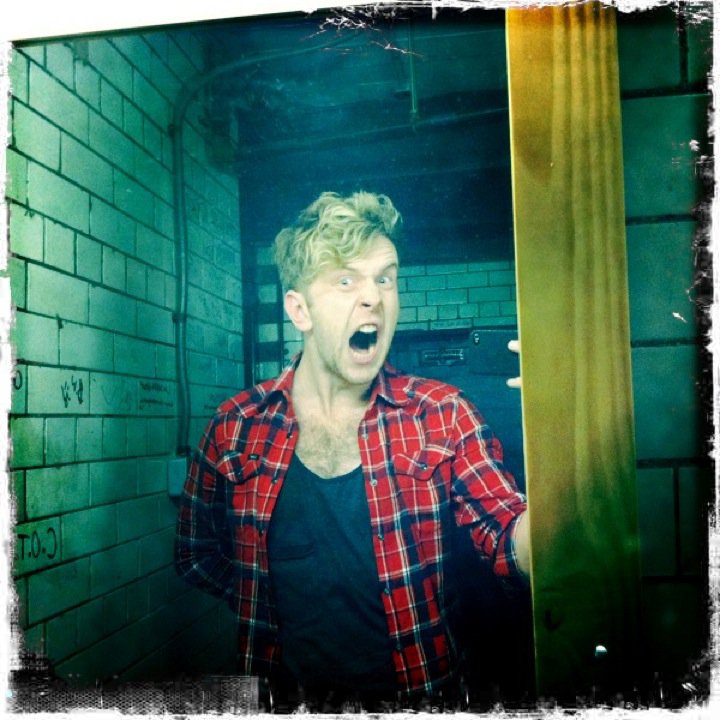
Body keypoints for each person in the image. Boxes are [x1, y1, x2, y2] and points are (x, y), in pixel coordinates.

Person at [175, 191, 529, 711]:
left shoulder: (443, 414)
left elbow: (509, 534)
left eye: (385, 278)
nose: (373, 298)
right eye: (346, 281)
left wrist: (568, 433)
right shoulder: (236, 427)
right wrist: (262, 592)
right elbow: (196, 552)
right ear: (299, 310)